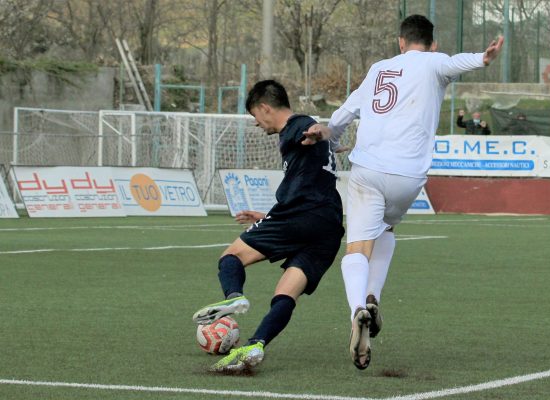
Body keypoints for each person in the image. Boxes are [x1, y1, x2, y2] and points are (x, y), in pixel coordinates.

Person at [303, 14, 503, 370]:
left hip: (368, 171)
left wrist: (325, 132)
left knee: (357, 248)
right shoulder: (435, 62)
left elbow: (344, 116)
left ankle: (357, 311)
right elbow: (459, 63)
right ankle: (373, 297)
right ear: (433, 43)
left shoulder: (380, 67)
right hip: (409, 177)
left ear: (400, 42)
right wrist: (482, 59)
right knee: (386, 230)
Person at [192, 80, 344, 372]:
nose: (257, 124)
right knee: (286, 293)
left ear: (265, 107)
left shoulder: (296, 127)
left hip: (298, 215)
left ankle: (234, 298)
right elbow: (309, 181)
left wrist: (319, 131)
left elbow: (310, 130)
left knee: (231, 257)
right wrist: (267, 214)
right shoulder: (312, 140)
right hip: (328, 224)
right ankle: (256, 344)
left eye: (255, 117)